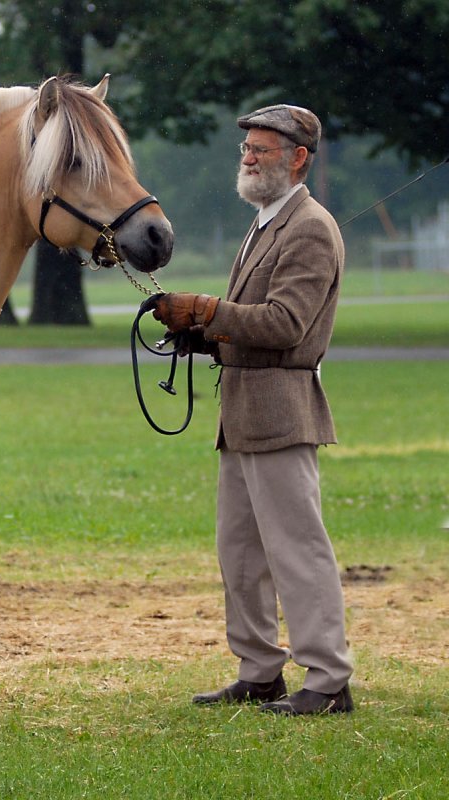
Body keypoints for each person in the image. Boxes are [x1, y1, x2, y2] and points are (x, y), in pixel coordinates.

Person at [153, 104, 354, 715]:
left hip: (282, 411)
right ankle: (260, 672)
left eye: (263, 149)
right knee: (240, 555)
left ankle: (327, 681)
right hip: (241, 413)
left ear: (297, 159)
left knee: (297, 551)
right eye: (246, 147)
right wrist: (198, 335)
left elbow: (287, 324)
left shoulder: (310, 227)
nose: (248, 156)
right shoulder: (265, 222)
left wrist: (208, 312)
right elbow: (251, 325)